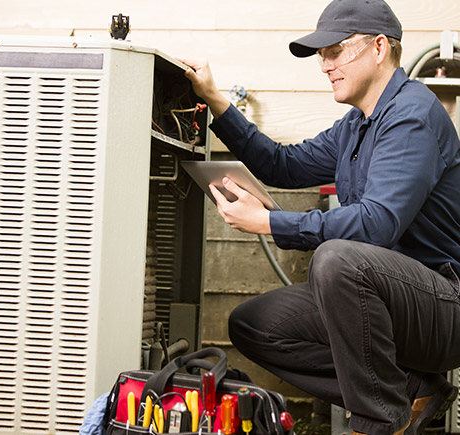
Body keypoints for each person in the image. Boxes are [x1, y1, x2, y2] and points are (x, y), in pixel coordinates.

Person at [178, 0, 460, 434]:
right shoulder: (356, 124)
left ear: (379, 47)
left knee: (337, 260)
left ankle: (377, 423)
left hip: (441, 305)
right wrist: (215, 100)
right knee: (255, 324)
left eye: (335, 51)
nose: (325, 65)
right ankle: (409, 389)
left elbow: (377, 225)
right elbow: (281, 165)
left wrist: (272, 223)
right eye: (321, 55)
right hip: (384, 300)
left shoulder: (412, 117)